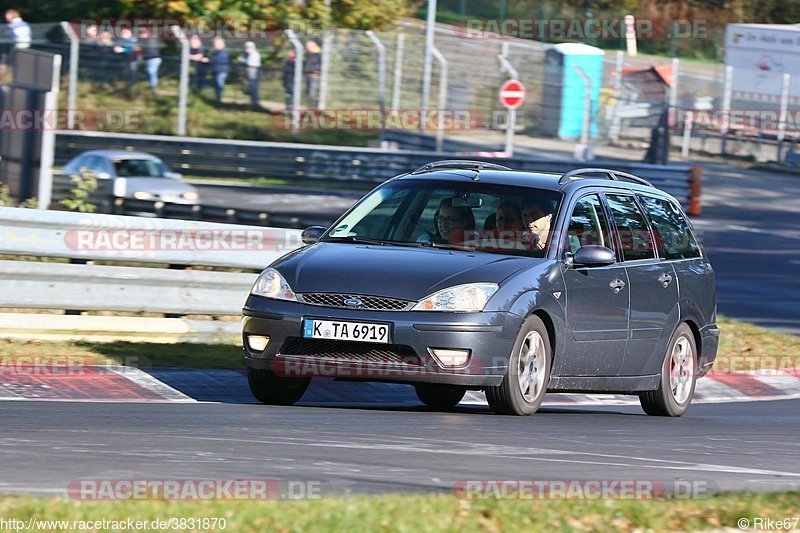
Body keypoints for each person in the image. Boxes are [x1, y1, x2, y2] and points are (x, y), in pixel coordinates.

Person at [113, 27, 139, 96]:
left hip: (133, 59)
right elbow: (116, 47)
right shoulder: (120, 40)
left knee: (132, 71)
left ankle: (132, 86)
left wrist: (122, 50)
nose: (123, 34)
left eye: (125, 32)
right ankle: (125, 85)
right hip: (123, 59)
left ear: (130, 33)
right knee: (126, 72)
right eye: (122, 32)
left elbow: (134, 49)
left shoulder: (133, 40)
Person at [206, 36, 229, 103]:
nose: (214, 45)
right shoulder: (217, 52)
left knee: (219, 86)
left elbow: (216, 60)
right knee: (217, 86)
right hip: (217, 71)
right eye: (214, 43)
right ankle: (217, 99)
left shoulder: (223, 52)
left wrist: (209, 60)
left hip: (221, 71)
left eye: (216, 43)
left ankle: (218, 100)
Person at [238, 41, 261, 107]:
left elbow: (249, 63)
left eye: (247, 47)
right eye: (245, 47)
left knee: (254, 88)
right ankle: (253, 101)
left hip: (254, 74)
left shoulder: (254, 54)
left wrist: (241, 60)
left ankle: (255, 102)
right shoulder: (248, 54)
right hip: (251, 74)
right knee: (251, 88)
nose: (246, 49)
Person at [139, 27, 161, 93]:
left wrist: (140, 49)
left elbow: (150, 50)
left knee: (151, 71)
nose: (141, 35)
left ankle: (153, 87)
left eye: (143, 33)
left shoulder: (150, 40)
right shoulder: (144, 41)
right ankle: (151, 85)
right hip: (150, 58)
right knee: (150, 71)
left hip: (154, 58)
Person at [304, 40, 321, 108]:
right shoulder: (308, 55)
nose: (307, 48)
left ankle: (313, 108)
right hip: (308, 76)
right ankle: (309, 108)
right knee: (308, 93)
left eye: (308, 46)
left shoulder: (318, 55)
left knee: (312, 94)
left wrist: (317, 72)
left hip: (314, 76)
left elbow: (320, 65)